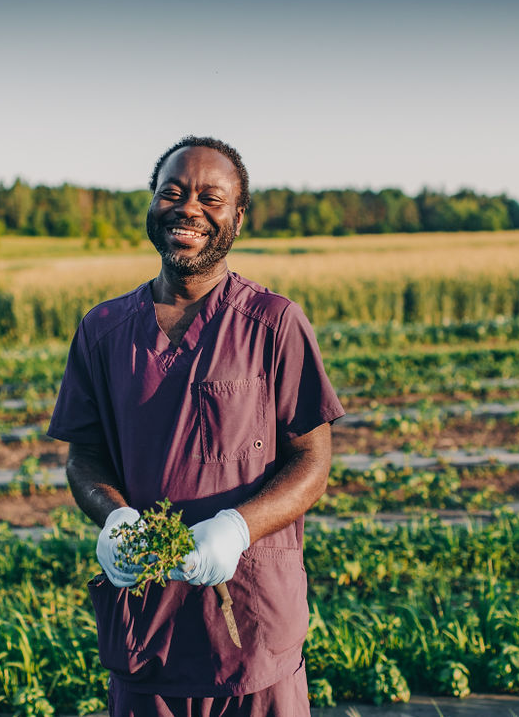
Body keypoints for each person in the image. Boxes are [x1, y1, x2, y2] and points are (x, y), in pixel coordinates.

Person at [47, 136, 344, 715]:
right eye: (173, 192)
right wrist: (114, 521)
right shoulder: (104, 330)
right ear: (152, 205)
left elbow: (312, 460)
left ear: (238, 216)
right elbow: (84, 456)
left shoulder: (273, 323)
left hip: (251, 629)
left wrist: (238, 526)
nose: (189, 208)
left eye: (212, 198)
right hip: (147, 630)